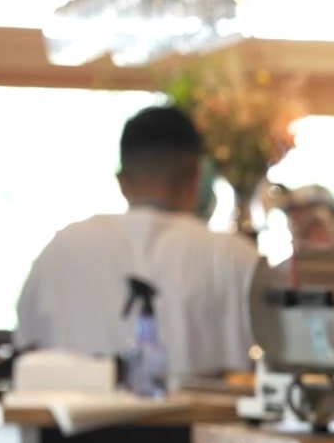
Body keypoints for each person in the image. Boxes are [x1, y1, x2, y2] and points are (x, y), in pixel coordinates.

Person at [16, 105, 259, 381]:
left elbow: (26, 350)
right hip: (204, 423)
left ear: (123, 182)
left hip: (74, 422)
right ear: (196, 179)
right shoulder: (236, 257)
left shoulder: (61, 250)